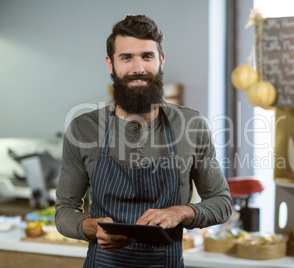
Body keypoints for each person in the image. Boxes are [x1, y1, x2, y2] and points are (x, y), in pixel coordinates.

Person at [55, 14, 232, 267]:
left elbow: (222, 202)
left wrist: (182, 211)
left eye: (147, 56)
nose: (138, 68)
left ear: (161, 60)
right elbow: (63, 212)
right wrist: (91, 228)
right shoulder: (83, 128)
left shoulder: (192, 125)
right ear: (110, 64)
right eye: (126, 57)